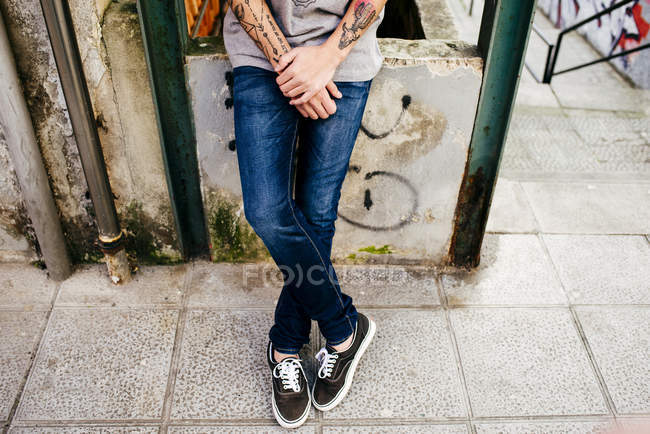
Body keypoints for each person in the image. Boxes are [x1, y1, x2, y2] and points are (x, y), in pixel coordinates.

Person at [223, 0, 386, 428]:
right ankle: (344, 329)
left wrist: (327, 58)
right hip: (260, 54)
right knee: (266, 211)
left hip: (345, 59)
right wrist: (296, 70)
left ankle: (284, 346)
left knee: (316, 216)